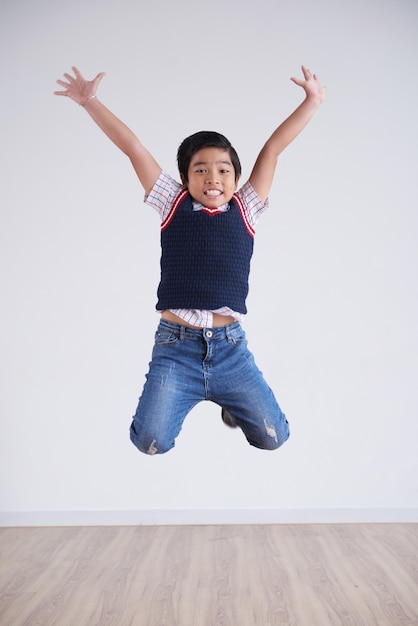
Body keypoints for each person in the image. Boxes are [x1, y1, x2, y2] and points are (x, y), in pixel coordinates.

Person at [54, 65, 325, 455]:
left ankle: (230, 402)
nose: (212, 177)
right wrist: (90, 102)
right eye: (200, 170)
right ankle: (180, 399)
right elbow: (134, 148)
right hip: (175, 347)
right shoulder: (172, 202)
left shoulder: (246, 207)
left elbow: (273, 148)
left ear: (235, 178)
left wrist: (312, 101)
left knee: (273, 438)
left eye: (223, 170)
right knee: (151, 442)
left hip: (230, 348)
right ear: (185, 178)